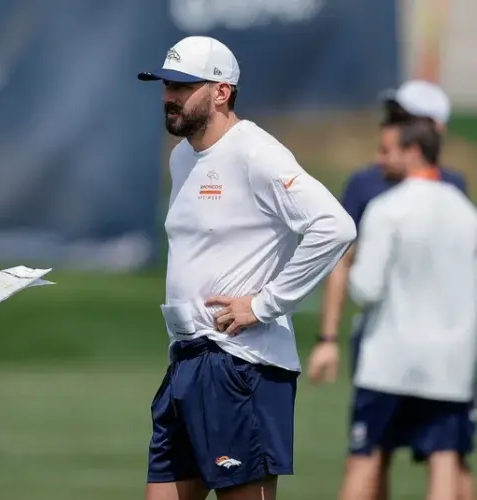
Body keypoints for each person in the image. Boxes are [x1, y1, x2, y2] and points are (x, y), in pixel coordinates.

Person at [136, 36, 357, 500]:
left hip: (242, 366)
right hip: (187, 361)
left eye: (182, 85)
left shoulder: (255, 152)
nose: (168, 96)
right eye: (165, 84)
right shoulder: (182, 157)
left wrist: (265, 304)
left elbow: (334, 227)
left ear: (221, 91)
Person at [307, 80, 473, 500]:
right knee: (444, 455)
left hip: (389, 354)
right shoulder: (463, 208)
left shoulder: (387, 206)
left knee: (370, 454)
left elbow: (364, 286)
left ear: (422, 137)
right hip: (450, 356)